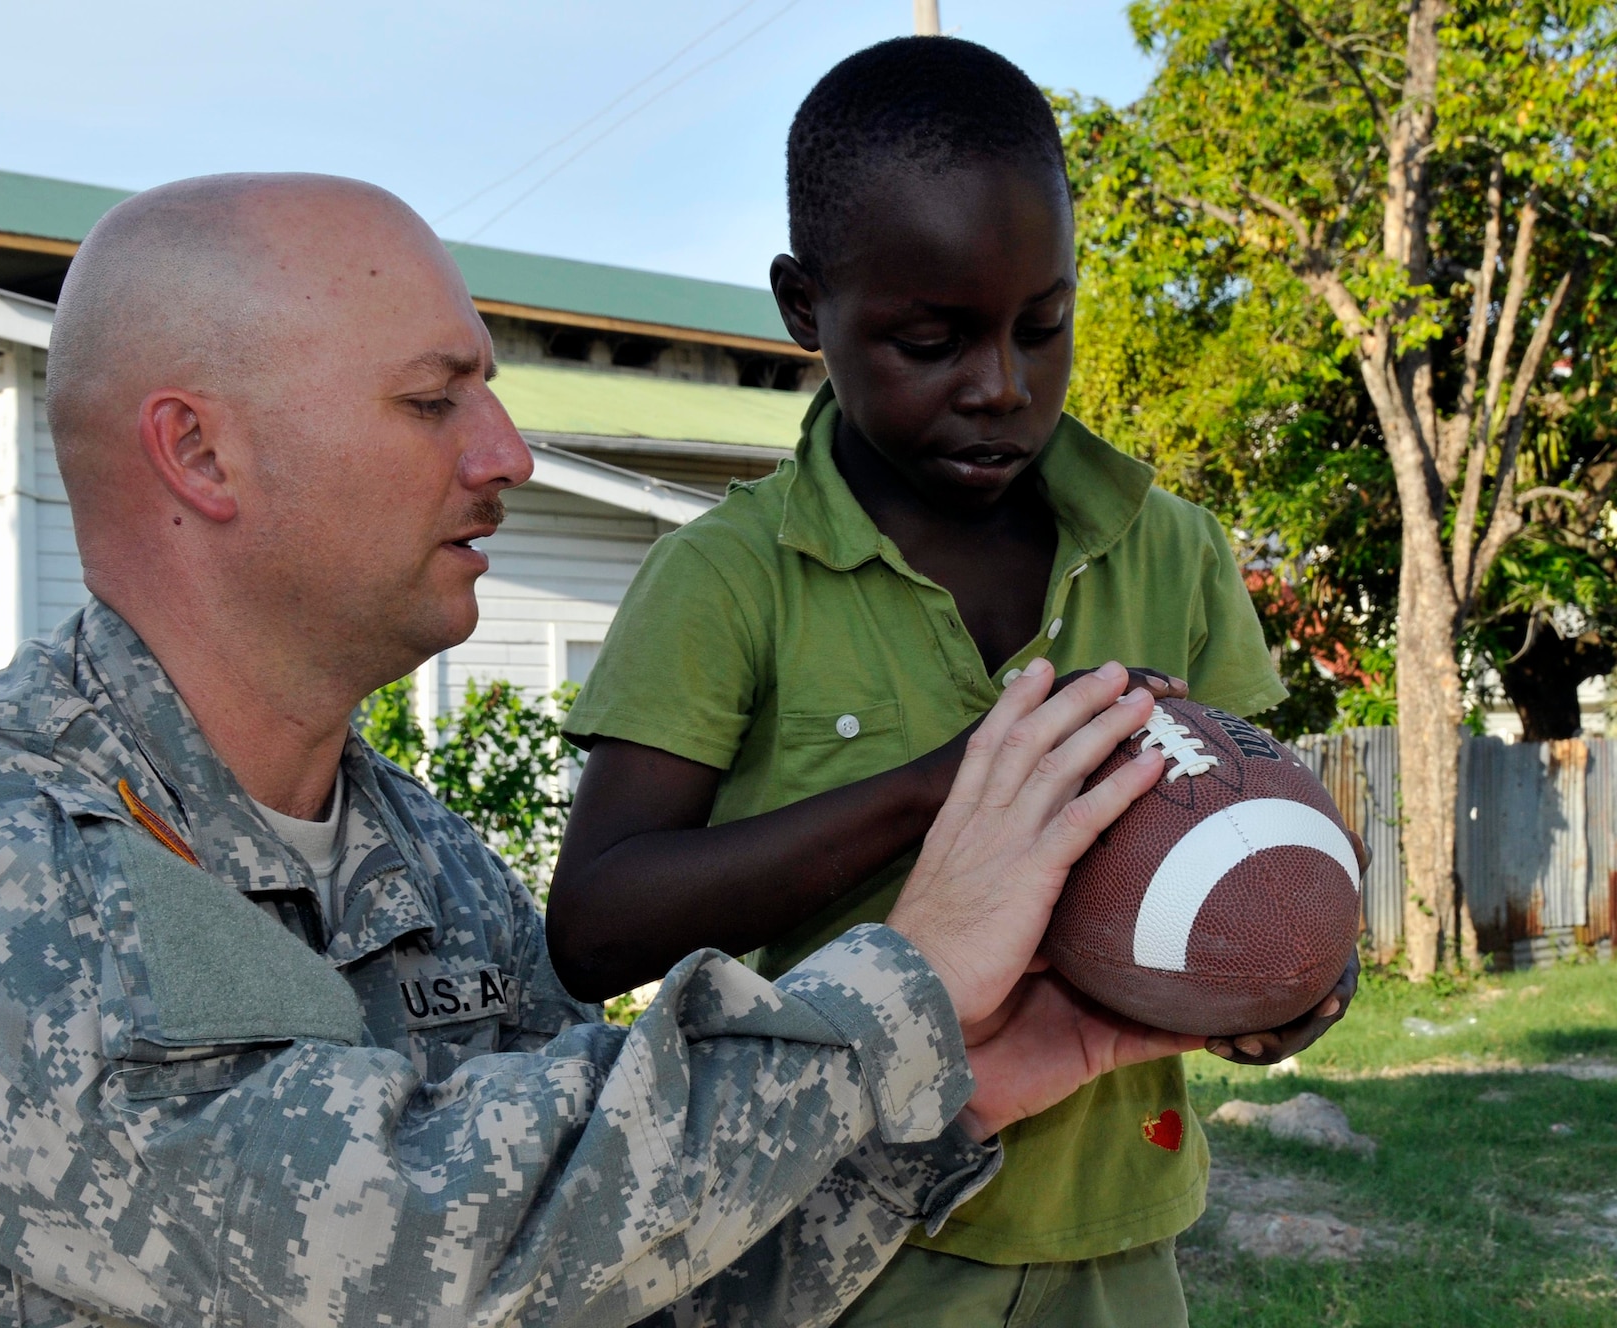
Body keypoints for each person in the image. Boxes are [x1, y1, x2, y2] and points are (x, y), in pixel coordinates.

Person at [0, 173, 1198, 1328]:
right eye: (431, 400)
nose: (507, 453)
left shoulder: (432, 869)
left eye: (494, 394)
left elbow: (592, 1283)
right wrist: (895, 993)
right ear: (199, 454)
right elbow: (372, 1245)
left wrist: (965, 1088)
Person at [549, 38, 1360, 1328]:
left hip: (1120, 1237)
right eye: (931, 340)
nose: (1001, 386)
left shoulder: (1173, 550)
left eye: (1044, 326)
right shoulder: (730, 577)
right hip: (832, 1247)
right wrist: (951, 790)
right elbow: (592, 926)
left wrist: (1293, 963)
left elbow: (1260, 824)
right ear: (805, 308)